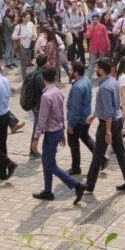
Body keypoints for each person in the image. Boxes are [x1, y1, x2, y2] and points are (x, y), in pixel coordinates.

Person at [30, 67, 86, 204]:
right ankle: (47, 190)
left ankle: (76, 185)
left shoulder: (46, 96)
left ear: (43, 79)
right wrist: (62, 130)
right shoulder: (58, 92)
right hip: (58, 130)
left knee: (49, 164)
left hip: (51, 133)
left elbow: (42, 119)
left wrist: (36, 138)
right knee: (47, 162)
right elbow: (62, 113)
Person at [84, 58, 125, 193]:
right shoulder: (113, 81)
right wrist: (94, 115)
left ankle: (89, 184)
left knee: (97, 155)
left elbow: (107, 111)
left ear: (101, 70)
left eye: (97, 68)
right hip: (117, 120)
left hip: (108, 123)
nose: (95, 70)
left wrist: (108, 131)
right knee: (121, 153)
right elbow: (109, 105)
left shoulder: (104, 87)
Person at [66, 61, 106, 175]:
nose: (69, 71)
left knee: (73, 142)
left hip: (78, 119)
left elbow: (76, 108)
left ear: (76, 72)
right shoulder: (86, 80)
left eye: (71, 70)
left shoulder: (77, 87)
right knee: (85, 136)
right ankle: (102, 158)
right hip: (86, 116)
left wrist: (71, 124)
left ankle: (76, 167)